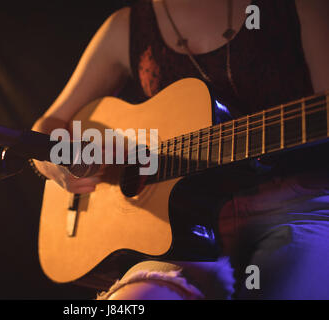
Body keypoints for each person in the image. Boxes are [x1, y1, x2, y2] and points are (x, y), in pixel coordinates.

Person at [31, 0, 329, 299]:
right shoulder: (127, 26)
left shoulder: (298, 6)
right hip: (179, 234)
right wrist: (57, 161)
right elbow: (48, 124)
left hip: (297, 209)